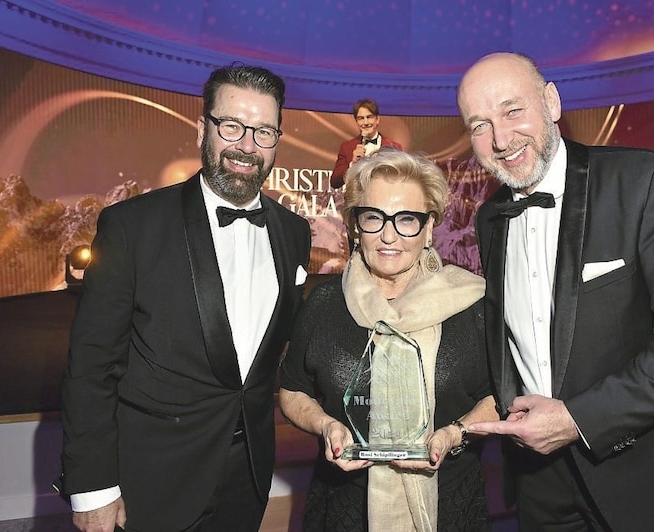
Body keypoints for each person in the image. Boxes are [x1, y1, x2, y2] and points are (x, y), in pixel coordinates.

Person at [458, 52, 654, 531]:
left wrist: (578, 419)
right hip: (539, 481)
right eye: (480, 125)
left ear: (552, 102)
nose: (501, 140)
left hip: (646, 479)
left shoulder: (645, 181)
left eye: (512, 111)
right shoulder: (490, 217)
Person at [59, 64, 311, 532]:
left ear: (278, 140)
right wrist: (92, 486)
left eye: (263, 131)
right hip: (151, 480)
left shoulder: (294, 233)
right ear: (203, 128)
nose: (246, 145)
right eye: (231, 125)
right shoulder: (132, 226)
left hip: (247, 475)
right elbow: (91, 366)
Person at [279, 148, 498, 531]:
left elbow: (500, 397)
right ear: (355, 226)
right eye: (373, 217)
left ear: (430, 228)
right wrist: (325, 425)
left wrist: (454, 434)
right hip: (343, 507)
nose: (389, 235)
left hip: (451, 507)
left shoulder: (473, 304)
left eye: (407, 219)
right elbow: (292, 390)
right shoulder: (326, 303)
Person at [330, 99, 403, 189]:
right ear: (356, 121)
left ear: (377, 119)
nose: (365, 123)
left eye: (369, 117)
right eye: (361, 118)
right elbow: (334, 182)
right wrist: (352, 164)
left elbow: (401, 180)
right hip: (358, 201)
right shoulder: (347, 147)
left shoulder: (394, 147)